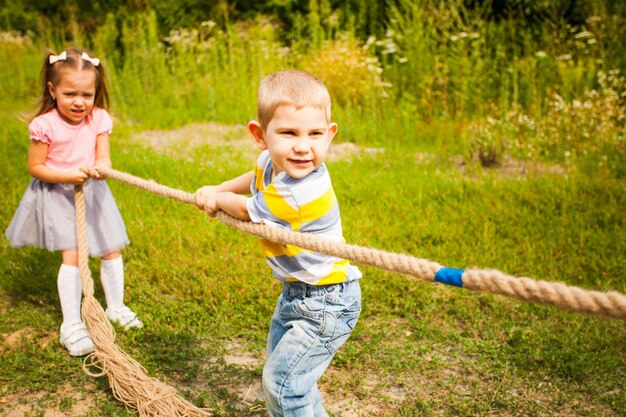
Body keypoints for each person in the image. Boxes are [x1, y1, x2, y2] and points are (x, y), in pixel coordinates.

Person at [195, 70, 362, 417]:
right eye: (288, 133)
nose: (303, 146)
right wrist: (218, 187)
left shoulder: (302, 190)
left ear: (329, 135)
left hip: (327, 302)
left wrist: (219, 198)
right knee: (294, 381)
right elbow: (254, 175)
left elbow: (245, 209)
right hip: (297, 293)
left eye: (315, 133)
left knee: (284, 386)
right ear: (260, 135)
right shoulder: (273, 161)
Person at [5, 47, 143, 357]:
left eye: (87, 94)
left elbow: (103, 154)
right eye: (70, 94)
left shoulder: (98, 119)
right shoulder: (45, 124)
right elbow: (36, 167)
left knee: (110, 248)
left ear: (96, 92)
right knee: (73, 254)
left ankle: (116, 306)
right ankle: (71, 324)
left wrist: (102, 168)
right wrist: (68, 176)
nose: (79, 101)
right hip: (58, 193)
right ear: (53, 90)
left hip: (93, 193)